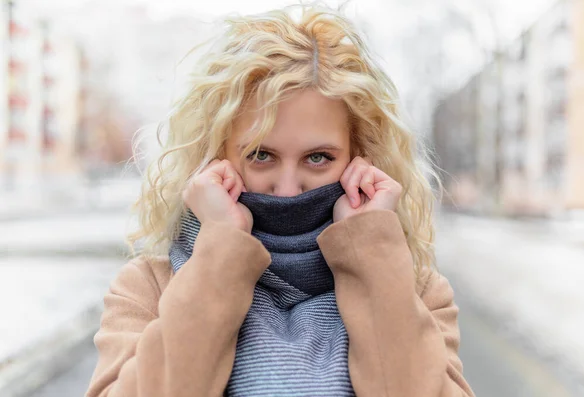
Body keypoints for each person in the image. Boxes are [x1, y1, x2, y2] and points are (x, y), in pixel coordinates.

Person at [85, 4, 475, 397]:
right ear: (215, 154)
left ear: (360, 158)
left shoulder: (415, 290)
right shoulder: (150, 285)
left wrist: (370, 251)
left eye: (318, 158)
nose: (288, 189)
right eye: (260, 155)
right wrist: (220, 252)